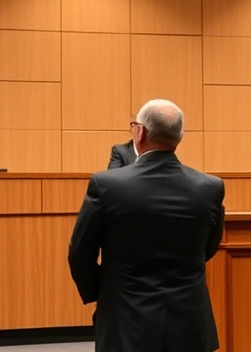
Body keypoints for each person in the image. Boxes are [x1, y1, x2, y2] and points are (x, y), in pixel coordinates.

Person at [68, 99, 225, 352]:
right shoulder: (210, 188)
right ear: (179, 137)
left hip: (126, 319)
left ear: (140, 132)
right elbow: (209, 248)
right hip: (189, 322)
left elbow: (80, 253)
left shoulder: (106, 185)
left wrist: (105, 291)